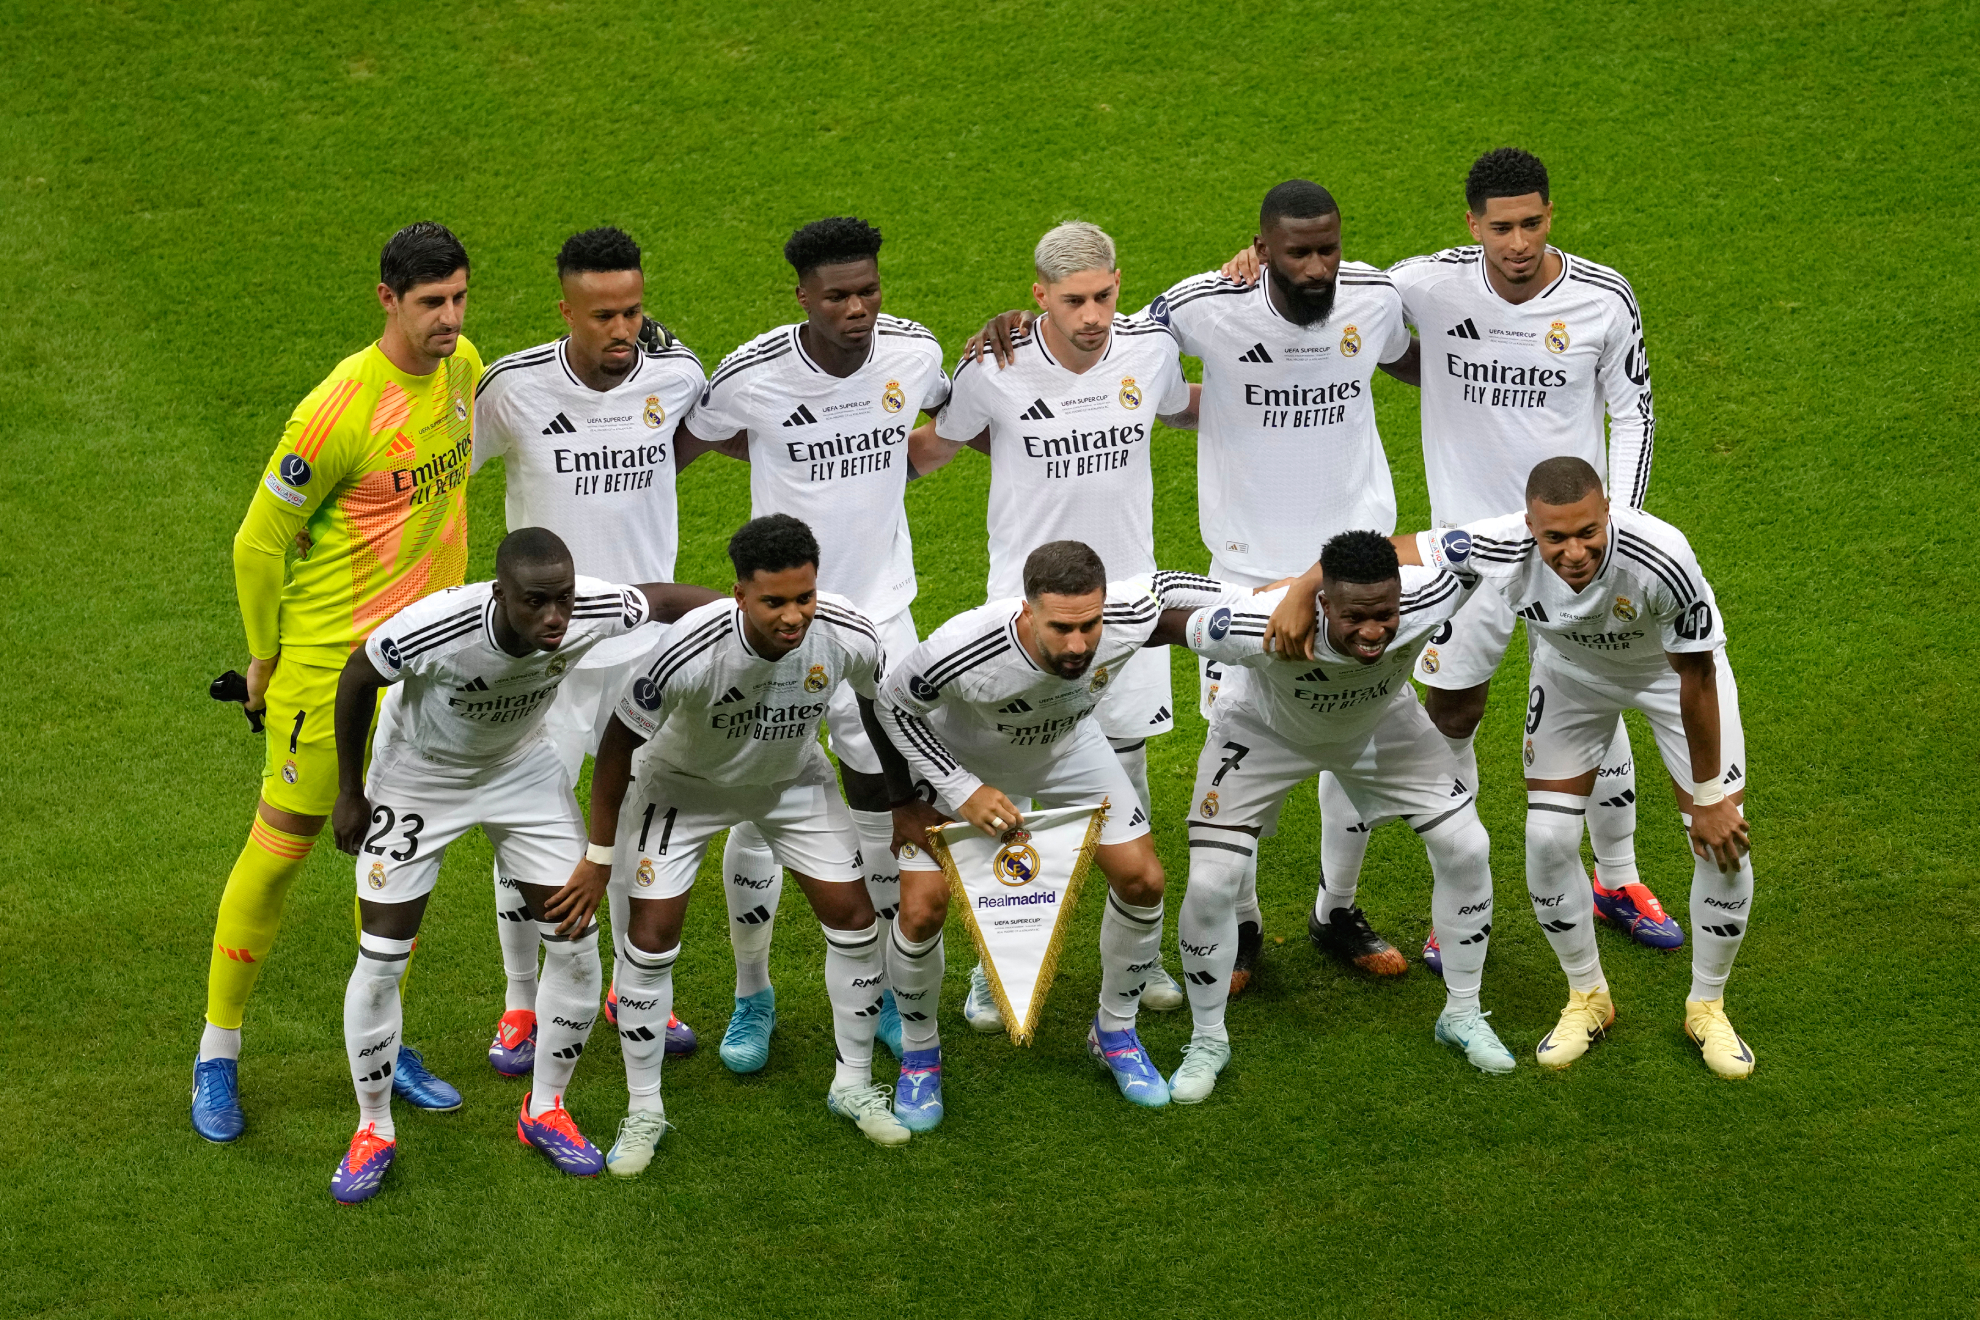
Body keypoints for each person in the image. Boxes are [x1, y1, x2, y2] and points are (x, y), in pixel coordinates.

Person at [1228, 148, 1673, 971]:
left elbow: (1632, 413)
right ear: (1472, 226)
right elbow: (1326, 286)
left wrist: (1621, 529)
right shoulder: (1423, 285)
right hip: (1463, 556)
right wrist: (1250, 264)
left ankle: (1617, 878)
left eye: (1532, 223)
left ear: (1551, 216)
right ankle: (1453, 907)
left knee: (1596, 699)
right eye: (1500, 227)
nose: (1517, 242)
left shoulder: (1603, 298)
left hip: (1570, 550)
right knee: (1451, 713)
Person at [323, 528, 719, 1202]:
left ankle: (544, 1110)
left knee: (576, 943)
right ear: (500, 593)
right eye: (537, 603)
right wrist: (351, 791)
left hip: (521, 770)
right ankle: (374, 1127)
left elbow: (666, 600)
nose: (555, 618)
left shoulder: (589, 608)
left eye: (562, 599)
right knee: (383, 955)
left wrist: (750, 621)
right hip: (421, 774)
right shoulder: (435, 628)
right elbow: (360, 675)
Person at [193, 222, 482, 1144]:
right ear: (387, 299)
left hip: (427, 670)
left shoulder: (464, 369)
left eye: (459, 298)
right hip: (326, 670)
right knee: (278, 853)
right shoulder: (336, 411)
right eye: (430, 302)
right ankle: (216, 1053)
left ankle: (381, 1043)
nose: (448, 318)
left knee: (396, 856)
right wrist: (264, 659)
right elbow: (257, 542)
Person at [679, 217, 950, 1072]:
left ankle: (873, 998)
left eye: (868, 289)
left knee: (888, 815)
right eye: (837, 295)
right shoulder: (755, 373)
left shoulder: (914, 353)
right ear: (802, 296)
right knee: (762, 817)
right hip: (782, 633)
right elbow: (698, 436)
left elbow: (948, 418)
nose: (858, 308)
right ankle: (752, 994)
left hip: (885, 627)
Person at [913, 220, 1199, 1025]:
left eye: (1104, 295)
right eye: (1073, 300)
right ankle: (996, 958)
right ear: (1037, 296)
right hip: (1026, 619)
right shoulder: (994, 368)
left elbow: (1182, 411)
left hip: (1128, 609)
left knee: (1130, 771)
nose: (1093, 315)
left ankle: (1138, 966)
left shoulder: (1151, 352)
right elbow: (938, 442)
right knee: (1021, 789)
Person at [1397, 457, 1755, 1077]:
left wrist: (1708, 797)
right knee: (1547, 838)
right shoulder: (1498, 544)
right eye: (1554, 538)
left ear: (1607, 511)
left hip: (1669, 678)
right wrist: (1300, 591)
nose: (1573, 551)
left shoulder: (1661, 555)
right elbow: (1393, 552)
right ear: (1530, 528)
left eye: (1587, 532)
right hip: (1572, 678)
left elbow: (1696, 674)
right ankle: (1587, 996)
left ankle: (1709, 1005)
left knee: (1723, 842)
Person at [574, 514, 910, 1173]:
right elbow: (619, 745)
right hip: (681, 788)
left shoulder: (846, 633)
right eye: (775, 602)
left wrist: (903, 801)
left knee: (855, 918)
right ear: (739, 595)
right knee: (651, 939)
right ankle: (644, 1109)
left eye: (804, 597)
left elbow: (877, 708)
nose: (794, 616)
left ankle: (854, 1083)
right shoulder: (687, 651)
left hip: (790, 780)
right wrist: (599, 854)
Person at [471, 226, 719, 1074]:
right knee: (526, 831)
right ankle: (518, 1004)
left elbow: (682, 440)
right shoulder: (511, 390)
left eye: (634, 313)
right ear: (565, 312)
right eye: (602, 315)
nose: (621, 331)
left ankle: (629, 990)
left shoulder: (676, 375)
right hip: (542, 660)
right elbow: (442, 475)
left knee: (637, 825)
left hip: (646, 650)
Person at [873, 543, 1229, 1127]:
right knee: (920, 911)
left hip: (1068, 752)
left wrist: (1287, 592)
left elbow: (1170, 584)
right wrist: (953, 789)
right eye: (1061, 628)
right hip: (965, 768)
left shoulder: (1124, 617)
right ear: (1027, 611)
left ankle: (1114, 1032)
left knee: (1143, 880)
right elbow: (892, 704)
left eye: (1090, 625)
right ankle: (919, 1056)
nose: (1078, 645)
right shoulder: (966, 646)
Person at [1163, 531, 1513, 1101]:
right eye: (1355, 617)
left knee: (1467, 846)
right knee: (1209, 882)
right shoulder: (1256, 626)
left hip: (1382, 726)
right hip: (1262, 734)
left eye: (1386, 614)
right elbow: (1161, 620)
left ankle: (1463, 1013)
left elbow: (1502, 535)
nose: (1373, 631)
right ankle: (1207, 1041)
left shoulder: (1435, 594)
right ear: (1323, 604)